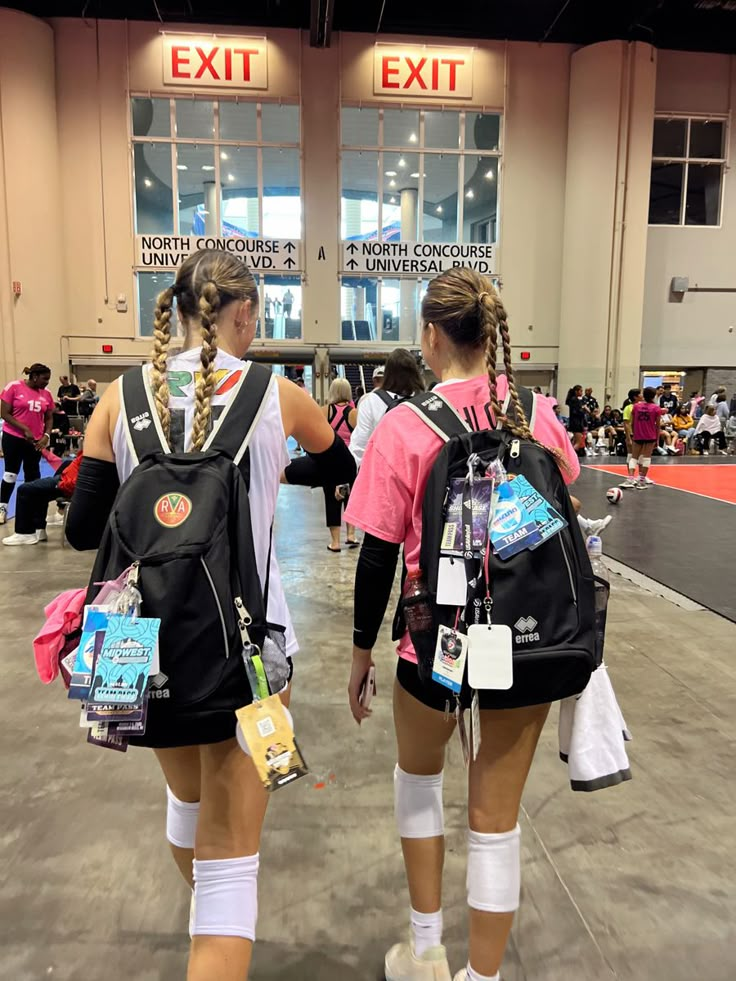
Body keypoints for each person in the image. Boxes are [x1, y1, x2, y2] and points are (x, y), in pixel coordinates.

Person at [65, 249, 354, 981]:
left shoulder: (119, 399)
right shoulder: (277, 395)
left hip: (139, 641)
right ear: (244, 310)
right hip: (250, 652)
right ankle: (220, 934)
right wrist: (274, 466)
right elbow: (340, 466)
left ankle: (212, 928)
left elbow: (80, 530)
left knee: (186, 807)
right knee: (232, 862)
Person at [344, 268, 579, 981]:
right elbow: (560, 501)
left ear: (431, 335)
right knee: (497, 819)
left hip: (432, 637)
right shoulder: (535, 412)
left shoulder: (403, 425)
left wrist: (360, 653)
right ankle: (483, 976)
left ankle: (424, 948)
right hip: (525, 638)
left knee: (417, 783)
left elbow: (378, 555)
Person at [350, 350, 425, 468]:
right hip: (418, 474)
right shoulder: (425, 401)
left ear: (388, 373)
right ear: (415, 372)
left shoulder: (371, 401)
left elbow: (359, 446)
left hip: (384, 473)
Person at [0, 364, 55, 524]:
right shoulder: (14, 387)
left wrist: (46, 435)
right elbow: (3, 413)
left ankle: (31, 513)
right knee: (11, 473)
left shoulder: (47, 394)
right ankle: (2, 508)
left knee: (33, 477)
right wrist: (24, 428)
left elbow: (49, 417)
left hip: (35, 441)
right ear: (35, 376)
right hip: (14, 438)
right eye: (44, 379)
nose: (47, 383)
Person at [2, 454, 80, 546]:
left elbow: (83, 480)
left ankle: (24, 533)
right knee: (66, 464)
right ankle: (39, 529)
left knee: (24, 490)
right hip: (66, 478)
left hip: (67, 482)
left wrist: (61, 485)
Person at [321, 378, 359, 552]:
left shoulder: (325, 411)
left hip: (330, 461)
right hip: (350, 460)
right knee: (352, 497)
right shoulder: (354, 413)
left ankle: (335, 542)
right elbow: (359, 437)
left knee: (331, 499)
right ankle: (351, 535)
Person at [621, 387, 662, 488]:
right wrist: (657, 439)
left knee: (634, 457)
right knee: (646, 458)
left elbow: (633, 422)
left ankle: (630, 478)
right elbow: (658, 425)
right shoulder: (656, 408)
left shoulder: (636, 407)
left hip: (638, 435)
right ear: (653, 396)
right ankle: (641, 480)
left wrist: (635, 433)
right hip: (650, 435)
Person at [564, 384, 586, 456]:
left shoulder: (572, 400)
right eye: (580, 391)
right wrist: (583, 409)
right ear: (576, 391)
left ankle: (570, 454)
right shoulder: (575, 400)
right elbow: (577, 412)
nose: (582, 393)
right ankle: (571, 456)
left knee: (575, 441)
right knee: (578, 443)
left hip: (575, 422)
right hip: (577, 423)